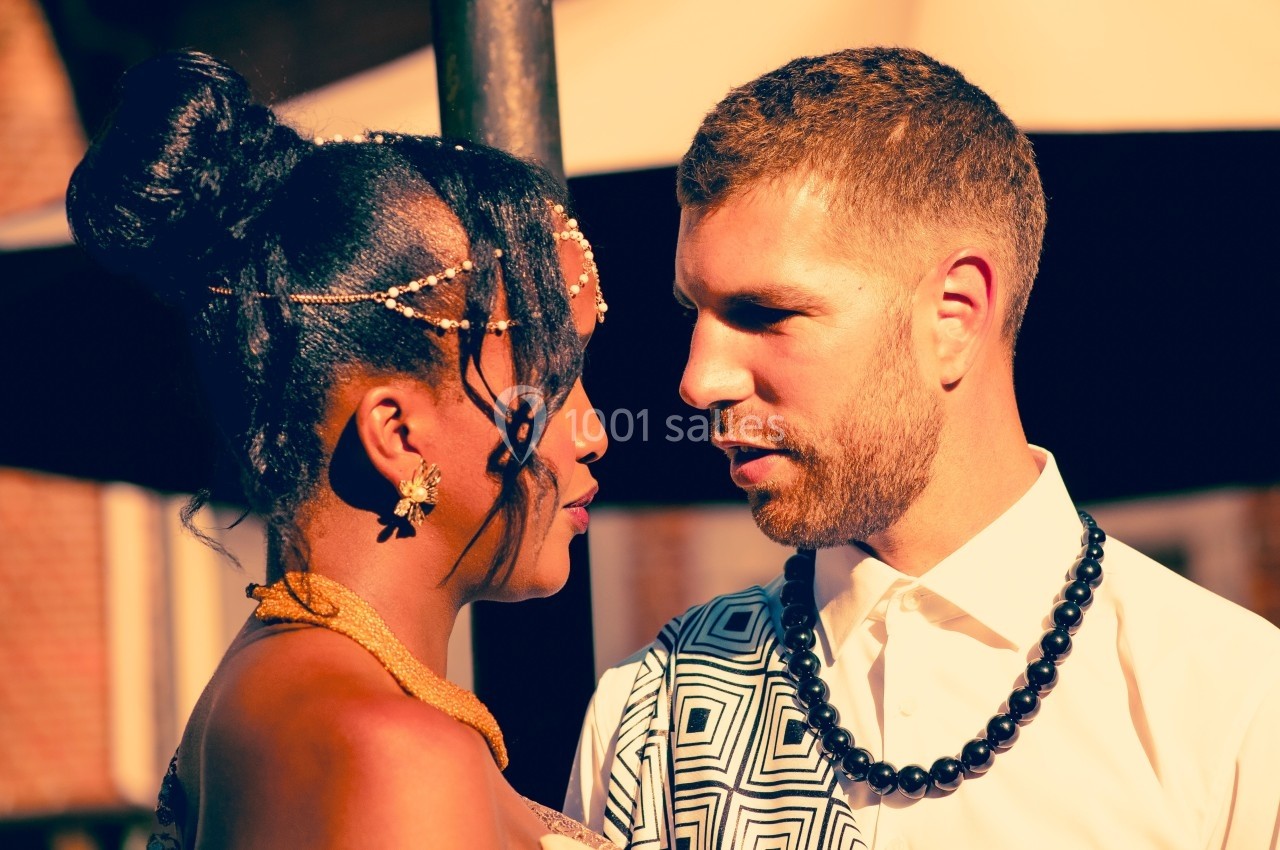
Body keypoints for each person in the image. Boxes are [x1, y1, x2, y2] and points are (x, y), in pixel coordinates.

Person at [565, 46, 1280, 849]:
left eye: (765, 314)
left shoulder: (1233, 709)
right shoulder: (648, 716)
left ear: (954, 316)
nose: (699, 381)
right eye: (692, 312)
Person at [67, 50, 615, 850]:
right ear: (397, 434)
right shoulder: (391, 752)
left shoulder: (283, 693)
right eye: (554, 385)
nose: (595, 432)